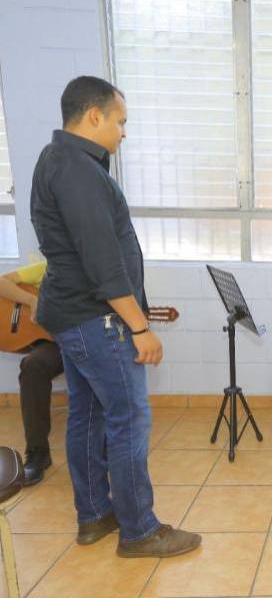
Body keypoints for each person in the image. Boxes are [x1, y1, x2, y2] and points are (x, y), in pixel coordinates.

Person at [29, 75, 200, 557]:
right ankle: (139, 529)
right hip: (97, 319)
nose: (124, 132)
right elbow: (102, 262)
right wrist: (140, 327)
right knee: (128, 418)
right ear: (94, 116)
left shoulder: (55, 160)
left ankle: (94, 515)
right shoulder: (79, 171)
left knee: (86, 413)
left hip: (72, 316)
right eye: (120, 121)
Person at [0, 261, 63, 485]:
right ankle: (38, 453)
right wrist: (32, 300)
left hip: (81, 342)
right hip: (50, 343)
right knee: (33, 365)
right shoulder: (46, 266)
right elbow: (1, 283)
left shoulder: (96, 269)